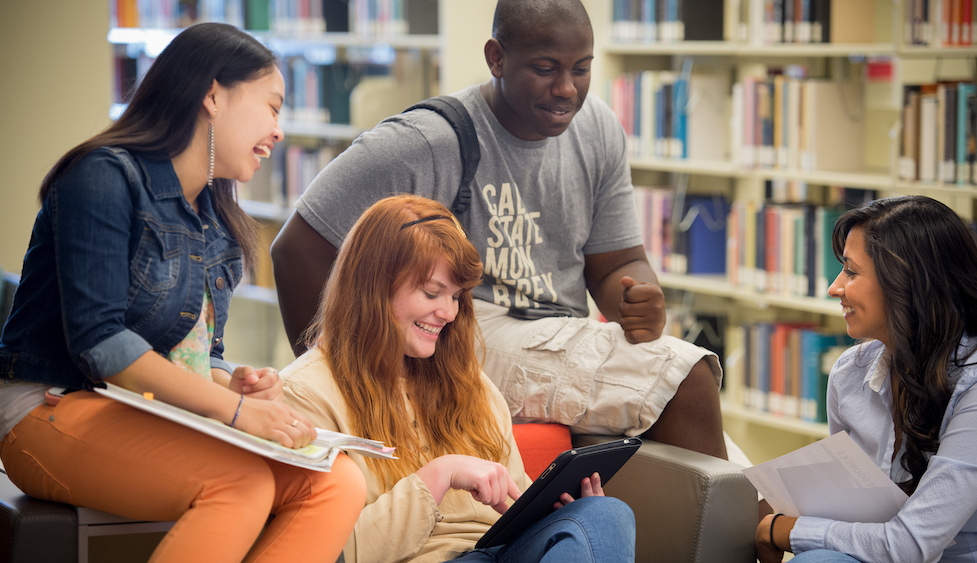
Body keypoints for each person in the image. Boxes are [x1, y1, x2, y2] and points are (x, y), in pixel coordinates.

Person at [271, 0, 728, 460]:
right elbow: (296, 250)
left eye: (582, 69)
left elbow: (617, 262)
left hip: (561, 328)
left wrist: (637, 298)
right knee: (686, 376)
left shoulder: (598, 129)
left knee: (713, 442)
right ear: (497, 58)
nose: (567, 88)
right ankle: (759, 527)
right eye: (546, 69)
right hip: (468, 328)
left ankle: (770, 525)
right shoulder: (427, 141)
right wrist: (341, 384)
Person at [0, 23, 365, 562]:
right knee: (240, 484)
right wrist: (234, 412)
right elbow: (101, 344)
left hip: (135, 411)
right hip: (50, 406)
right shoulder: (102, 177)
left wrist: (233, 381)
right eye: (272, 106)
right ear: (213, 95)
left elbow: (197, 354)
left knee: (338, 483)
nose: (279, 130)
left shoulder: (216, 217)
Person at [280, 194, 636, 562]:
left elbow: (514, 501)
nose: (448, 313)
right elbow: (331, 553)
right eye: (432, 293)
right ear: (372, 286)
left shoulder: (470, 384)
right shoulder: (304, 394)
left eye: (456, 296)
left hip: (500, 550)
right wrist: (439, 476)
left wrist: (564, 513)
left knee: (605, 514)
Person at [756, 195, 977, 563]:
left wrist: (786, 530)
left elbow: (909, 545)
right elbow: (847, 505)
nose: (834, 288)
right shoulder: (849, 371)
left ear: (908, 283)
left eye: (851, 272)